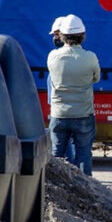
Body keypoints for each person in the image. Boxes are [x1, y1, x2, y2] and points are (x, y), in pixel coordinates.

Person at [47, 14, 100, 176]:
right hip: (83, 113)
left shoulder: (53, 56)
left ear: (61, 36)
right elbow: (96, 78)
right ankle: (87, 190)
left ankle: (54, 191)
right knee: (84, 154)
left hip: (59, 114)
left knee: (56, 154)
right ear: (83, 36)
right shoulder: (90, 57)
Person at [46, 16, 76, 164]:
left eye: (57, 34)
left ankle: (68, 172)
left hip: (61, 108)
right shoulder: (64, 56)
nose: (55, 38)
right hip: (61, 107)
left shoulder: (59, 57)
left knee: (61, 145)